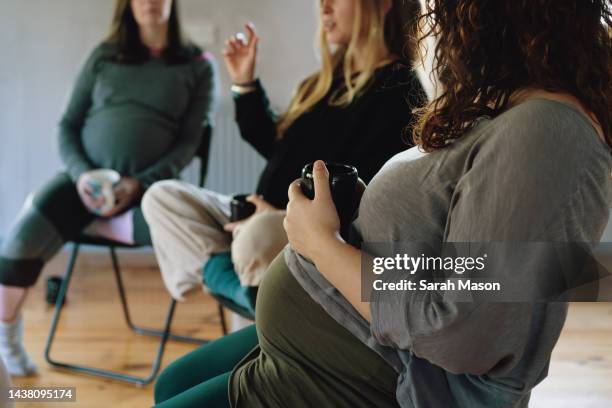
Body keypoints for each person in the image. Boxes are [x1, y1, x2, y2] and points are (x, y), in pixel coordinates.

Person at [153, 0, 612, 407]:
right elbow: (452, 269)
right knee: (175, 381)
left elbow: (465, 329)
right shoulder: (516, 111)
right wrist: (362, 213)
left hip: (353, 371)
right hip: (334, 331)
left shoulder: (547, 132)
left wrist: (323, 245)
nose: (434, 17)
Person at [142, 0, 425, 308]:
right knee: (162, 197)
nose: (324, 7)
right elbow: (279, 150)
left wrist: (279, 217)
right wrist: (244, 84)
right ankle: (246, 292)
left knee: (257, 237)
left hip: (310, 233)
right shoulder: (322, 84)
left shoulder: (401, 89)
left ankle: (235, 280)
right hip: (266, 216)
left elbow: (364, 195)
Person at [0, 0, 218, 376]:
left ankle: (82, 222)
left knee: (178, 232)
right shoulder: (103, 56)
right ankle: (7, 339)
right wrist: (82, 174)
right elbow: (67, 125)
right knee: (18, 243)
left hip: (149, 194)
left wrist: (139, 184)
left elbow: (187, 145)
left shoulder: (197, 66)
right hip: (81, 185)